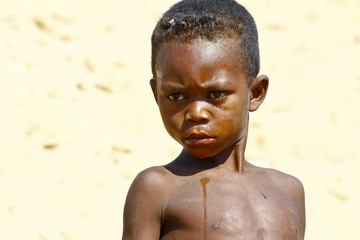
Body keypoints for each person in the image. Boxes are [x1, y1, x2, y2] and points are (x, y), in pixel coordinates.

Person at [122, 0, 306, 239]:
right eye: (176, 96)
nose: (196, 113)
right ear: (157, 95)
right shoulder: (157, 188)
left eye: (215, 94)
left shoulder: (288, 190)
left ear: (255, 93)